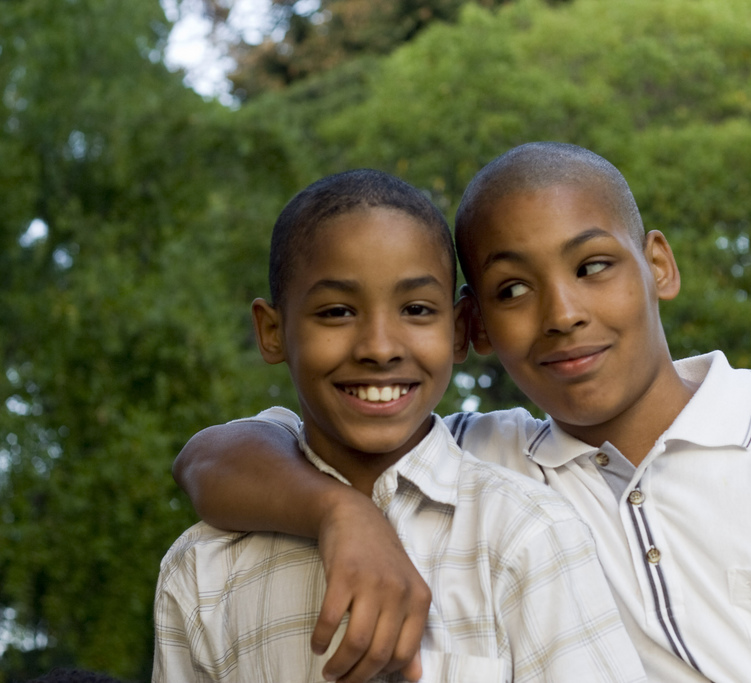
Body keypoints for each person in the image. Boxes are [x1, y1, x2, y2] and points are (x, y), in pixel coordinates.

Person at [174, 144, 751, 682]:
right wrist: (338, 514)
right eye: (512, 289)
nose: (562, 313)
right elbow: (218, 457)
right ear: (473, 327)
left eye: (593, 266)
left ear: (658, 263)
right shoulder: (480, 466)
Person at [152, 169, 646, 683]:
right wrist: (339, 513)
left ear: (458, 330)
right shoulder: (203, 569)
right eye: (338, 312)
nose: (380, 348)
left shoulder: (525, 533)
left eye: (415, 309)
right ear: (273, 332)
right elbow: (204, 455)